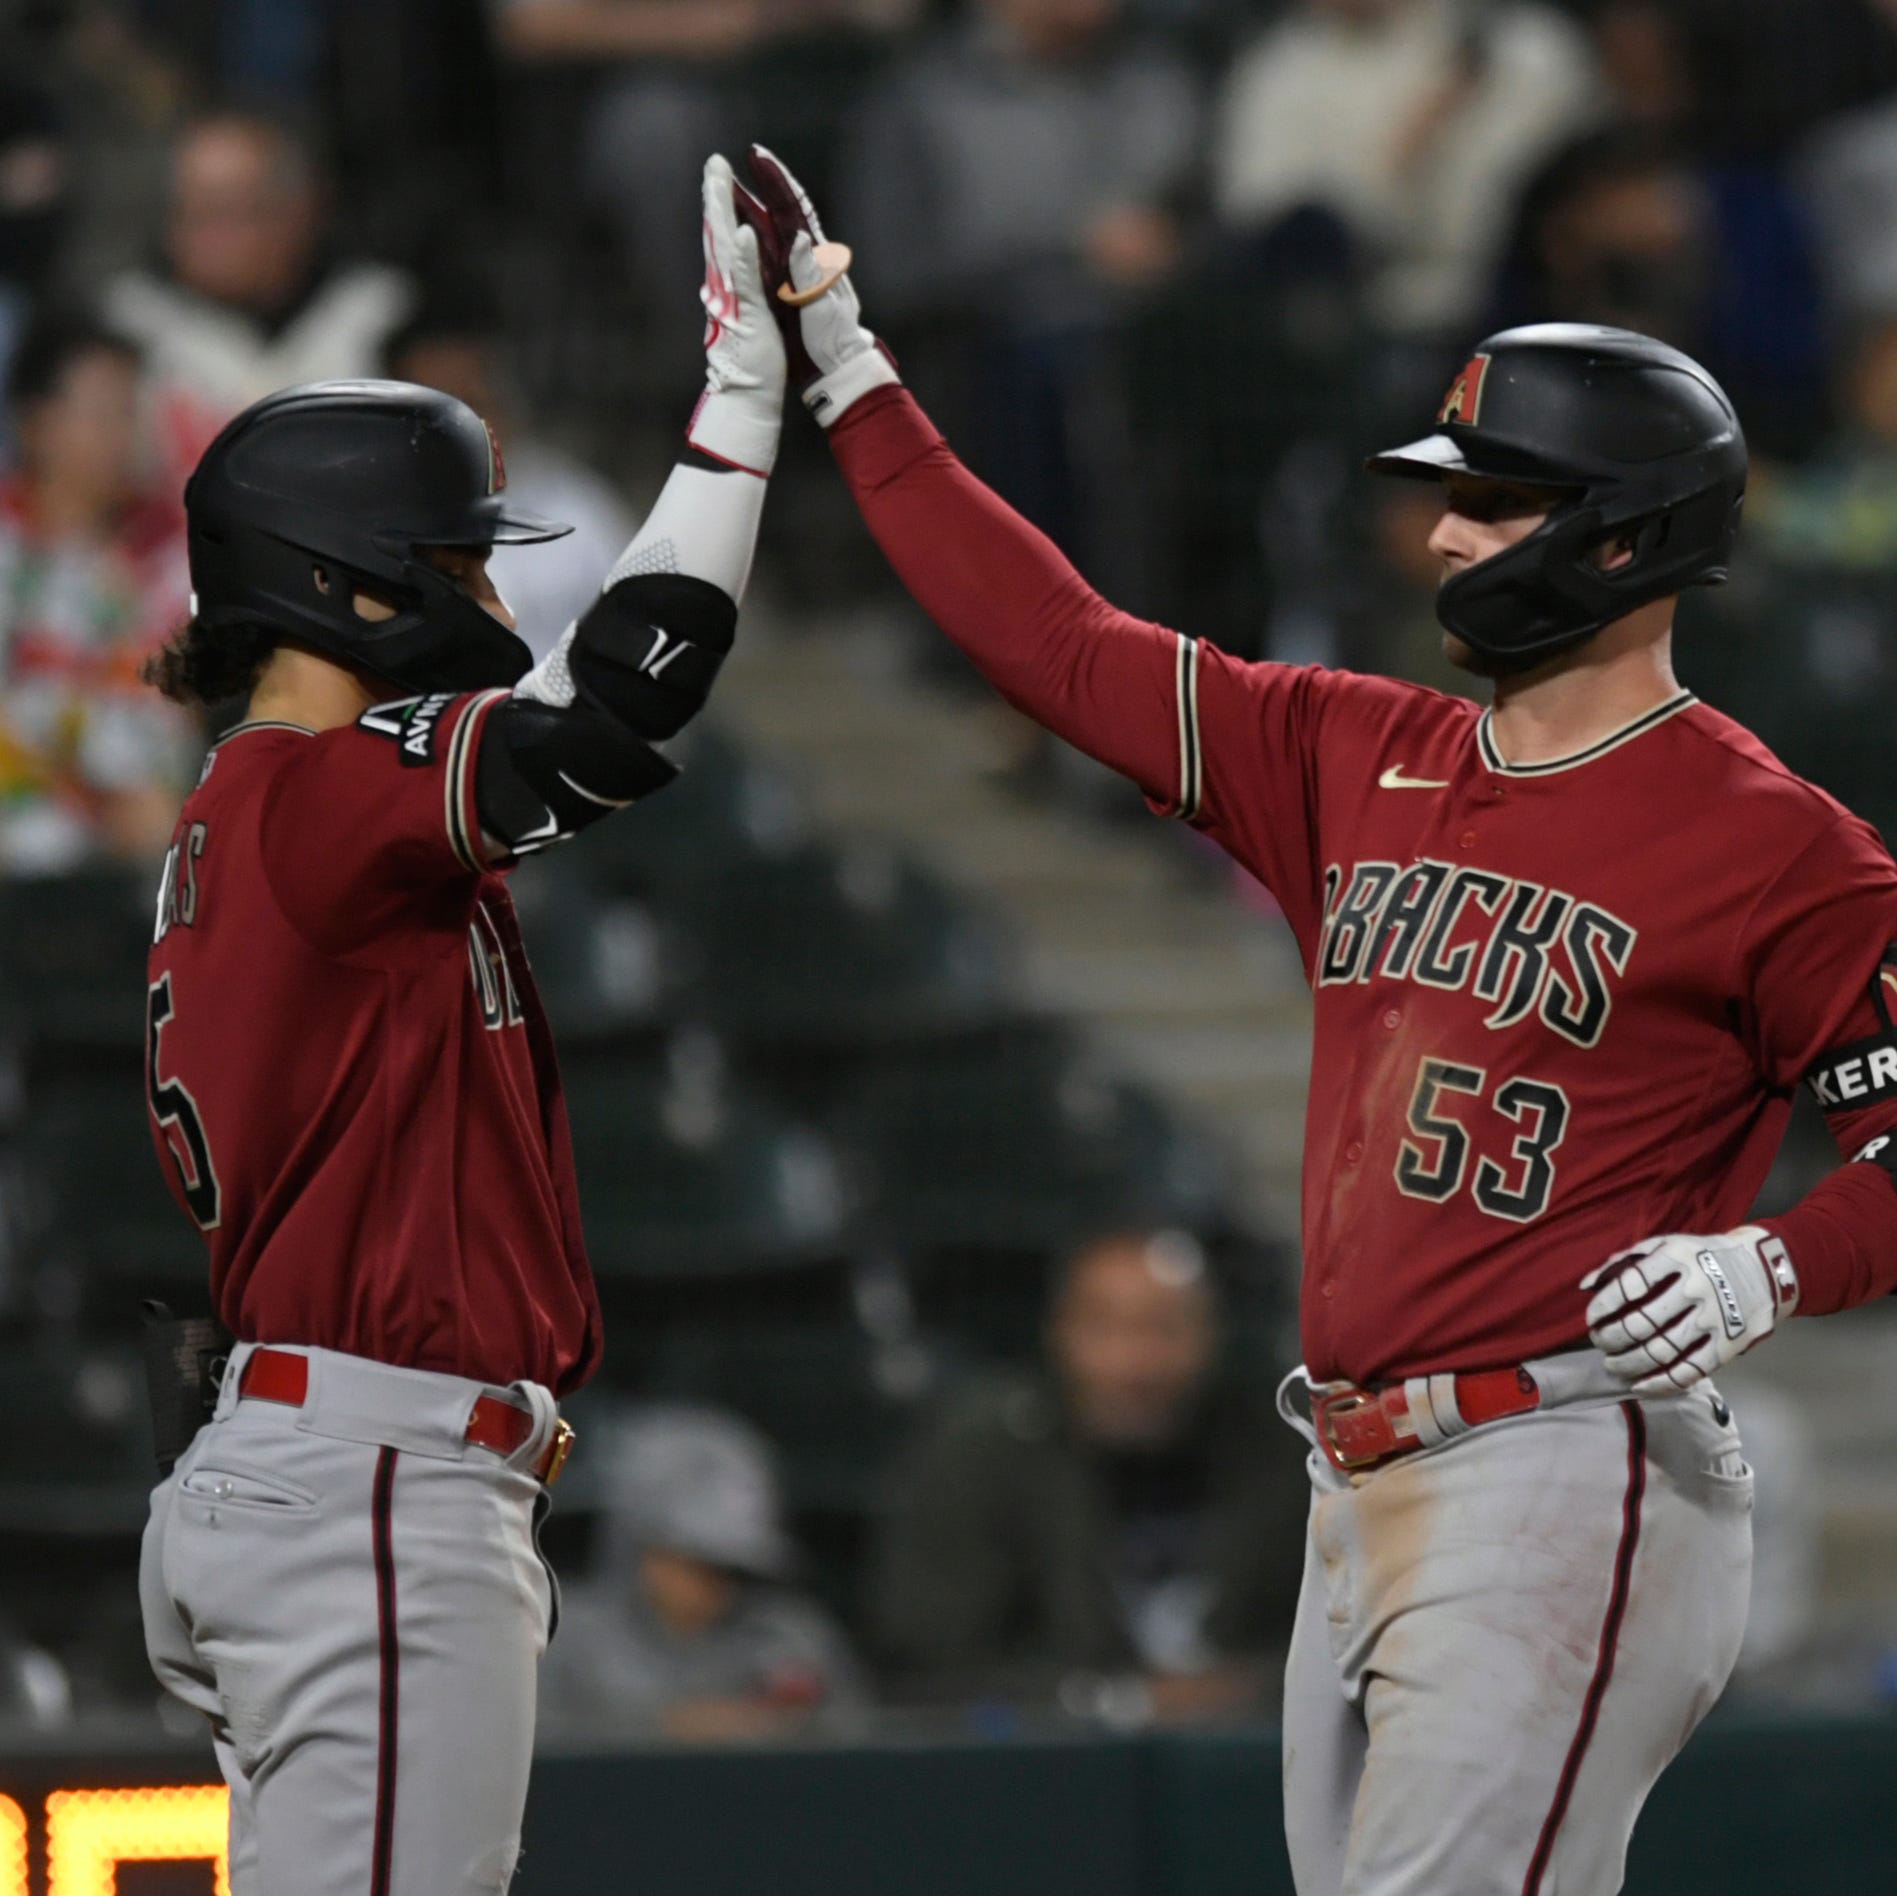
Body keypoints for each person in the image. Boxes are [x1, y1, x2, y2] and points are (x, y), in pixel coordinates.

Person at [731, 148, 1897, 1892]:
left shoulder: (1773, 843)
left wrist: (1771, 1266)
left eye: (1494, 501)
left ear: (1628, 532)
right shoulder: (1357, 748)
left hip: (1568, 1461)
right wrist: (847, 360)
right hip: (1359, 1471)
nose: (1439, 531)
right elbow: (1053, 643)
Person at [135, 156, 787, 1894]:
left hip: (324, 1462)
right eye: (445, 555)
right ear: (347, 582)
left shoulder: (267, 808)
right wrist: (740, 402)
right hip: (367, 1477)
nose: (486, 595)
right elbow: (621, 699)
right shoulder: (311, 798)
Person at [868, 1231, 1305, 1717]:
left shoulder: (1279, 1455)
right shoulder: (981, 1458)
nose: (1135, 1362)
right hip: (1042, 1767)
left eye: (1165, 1328)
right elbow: (929, 1657)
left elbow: (1338, 1640)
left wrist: (1240, 1690)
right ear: (1059, 1331)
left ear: (1211, 1335)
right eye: (1104, 1327)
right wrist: (1107, 1701)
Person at [102, 109, 416, 492]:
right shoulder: (126, 327)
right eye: (190, 211)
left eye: (228, 211)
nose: (205, 237)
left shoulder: (383, 314)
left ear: (298, 212)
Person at [538, 1405, 867, 1740]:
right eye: (696, 1561)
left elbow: (857, 1752)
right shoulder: (562, 1637)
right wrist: (663, 1728)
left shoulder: (790, 1637)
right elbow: (525, 1758)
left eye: (731, 1567)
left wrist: (781, 1727)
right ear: (640, 1546)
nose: (715, 1584)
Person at [0, 313, 194, 872]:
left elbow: (178, 714)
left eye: (131, 413)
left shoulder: (172, 562)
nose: (122, 437)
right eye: (103, 414)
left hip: (138, 850)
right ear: (36, 424)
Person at [382, 306, 636, 660]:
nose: (465, 424)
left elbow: (641, 629)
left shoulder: (577, 500)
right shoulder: (374, 527)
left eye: (475, 399)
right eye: (440, 407)